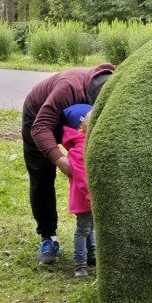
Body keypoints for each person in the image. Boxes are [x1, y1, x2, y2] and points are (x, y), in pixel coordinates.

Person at [22, 63, 115, 264]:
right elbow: (40, 128)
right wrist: (60, 160)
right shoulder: (69, 87)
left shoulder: (116, 84)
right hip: (39, 119)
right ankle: (49, 237)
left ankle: (92, 243)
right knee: (42, 175)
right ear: (91, 99)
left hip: (80, 126)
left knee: (91, 174)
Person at [61, 103, 95, 278]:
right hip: (85, 197)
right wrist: (90, 195)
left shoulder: (87, 144)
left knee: (91, 227)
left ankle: (92, 255)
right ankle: (79, 265)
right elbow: (82, 177)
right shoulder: (80, 149)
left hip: (91, 196)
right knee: (83, 229)